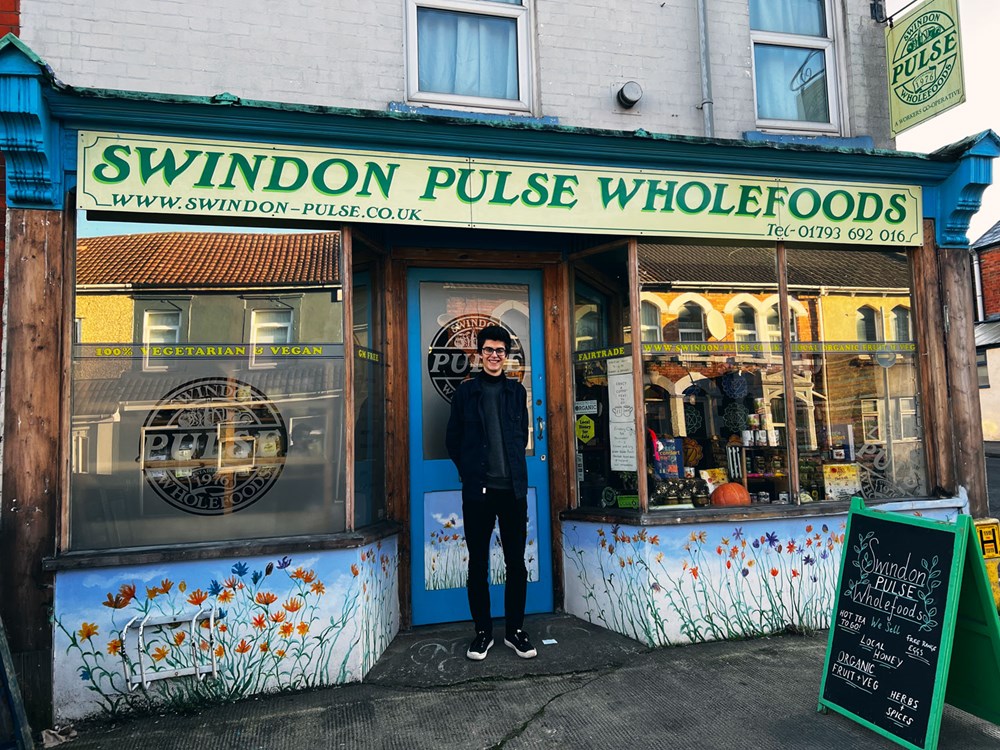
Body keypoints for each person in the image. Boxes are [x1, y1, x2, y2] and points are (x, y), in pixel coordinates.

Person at [446, 324, 536, 661]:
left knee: (516, 563)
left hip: (512, 491)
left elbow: (519, 439)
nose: (494, 356)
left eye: (500, 351)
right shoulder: (465, 393)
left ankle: (514, 631)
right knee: (478, 564)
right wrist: (470, 472)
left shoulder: (517, 392)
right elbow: (452, 439)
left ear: (506, 356)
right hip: (478, 494)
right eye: (488, 350)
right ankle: (483, 633)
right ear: (479, 354)